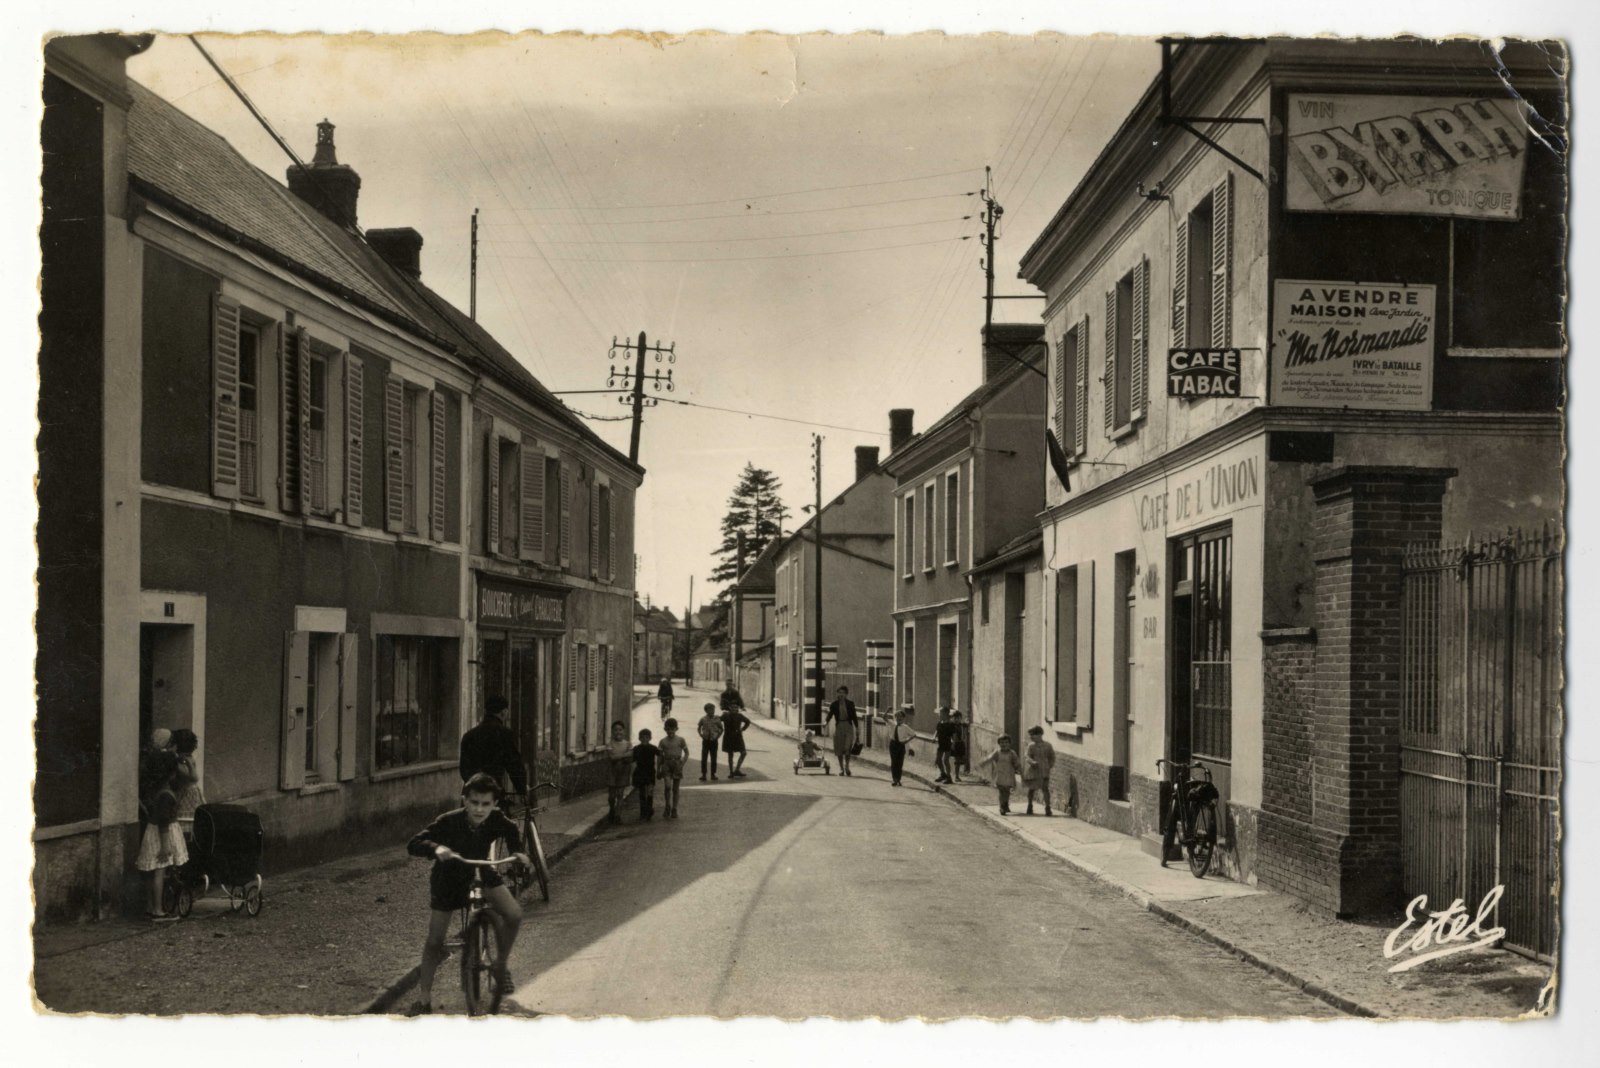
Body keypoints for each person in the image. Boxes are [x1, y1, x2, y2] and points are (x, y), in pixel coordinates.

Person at [405, 772, 530, 1016]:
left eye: (486, 804)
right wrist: (437, 847)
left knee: (514, 914)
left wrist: (518, 852)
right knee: (435, 941)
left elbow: (512, 830)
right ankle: (424, 998)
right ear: (465, 800)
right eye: (474, 802)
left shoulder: (496, 819)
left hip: (480, 871)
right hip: (448, 879)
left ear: (494, 804)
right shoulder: (448, 821)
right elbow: (414, 843)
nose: (479, 809)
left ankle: (499, 965)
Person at [135, 728, 185, 921]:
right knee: (159, 871)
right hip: (161, 835)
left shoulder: (155, 789)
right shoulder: (166, 794)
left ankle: (150, 906)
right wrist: (165, 845)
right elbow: (164, 822)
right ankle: (158, 910)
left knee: (152, 871)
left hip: (151, 831)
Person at [459, 697, 528, 797]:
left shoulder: (469, 735)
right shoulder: (504, 734)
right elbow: (514, 765)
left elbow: (464, 769)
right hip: (493, 793)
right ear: (503, 712)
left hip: (471, 793)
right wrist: (522, 789)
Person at [977, 735, 1023, 815]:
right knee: (1002, 791)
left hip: (1009, 775)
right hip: (999, 775)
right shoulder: (997, 752)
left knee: (1007, 791)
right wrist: (983, 763)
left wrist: (1021, 771)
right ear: (999, 744)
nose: (1004, 744)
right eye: (1002, 743)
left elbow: (1017, 763)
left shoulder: (1012, 753)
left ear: (1009, 744)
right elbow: (989, 758)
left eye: (1006, 742)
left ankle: (1006, 804)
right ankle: (1002, 806)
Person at [170, 728, 205, 822]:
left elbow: (194, 778)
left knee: (186, 819)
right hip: (185, 792)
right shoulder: (180, 758)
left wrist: (188, 764)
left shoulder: (185, 759)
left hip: (186, 793)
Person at [657, 718, 689, 819]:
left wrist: (682, 763)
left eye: (672, 729)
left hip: (677, 764)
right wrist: (658, 769)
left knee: (675, 789)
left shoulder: (681, 740)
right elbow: (660, 756)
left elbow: (687, 753)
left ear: (676, 729)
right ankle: (667, 806)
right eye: (668, 729)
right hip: (666, 764)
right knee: (667, 786)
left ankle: (674, 808)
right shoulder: (662, 741)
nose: (670, 731)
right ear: (665, 729)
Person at [1022, 725, 1057, 816]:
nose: (1031, 737)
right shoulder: (1031, 746)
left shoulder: (1048, 745)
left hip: (1044, 770)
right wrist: (1032, 762)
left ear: (1040, 735)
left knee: (1045, 788)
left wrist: (1049, 765)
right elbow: (1027, 756)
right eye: (1030, 735)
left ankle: (1047, 807)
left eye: (1033, 735)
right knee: (1032, 789)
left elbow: (1052, 756)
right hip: (1034, 770)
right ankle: (1030, 805)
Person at [825, 685, 859, 776]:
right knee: (839, 748)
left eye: (843, 693)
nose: (841, 694)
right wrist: (826, 722)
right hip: (839, 725)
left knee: (847, 747)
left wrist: (857, 728)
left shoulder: (850, 704)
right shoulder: (834, 704)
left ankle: (847, 767)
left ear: (846, 694)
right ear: (837, 694)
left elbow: (855, 717)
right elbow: (830, 714)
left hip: (848, 726)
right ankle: (841, 768)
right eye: (839, 692)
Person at [607, 720, 633, 823]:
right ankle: (612, 809)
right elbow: (612, 757)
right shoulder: (610, 744)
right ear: (612, 732)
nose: (618, 732)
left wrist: (618, 757)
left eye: (620, 730)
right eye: (615, 730)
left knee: (620, 794)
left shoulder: (627, 744)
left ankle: (618, 815)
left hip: (623, 771)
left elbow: (630, 756)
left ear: (624, 731)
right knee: (611, 796)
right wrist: (624, 755)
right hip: (612, 771)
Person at [632, 728, 661, 820]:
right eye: (642, 737)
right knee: (642, 792)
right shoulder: (636, 749)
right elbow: (631, 760)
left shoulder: (653, 748)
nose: (644, 739)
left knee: (650, 791)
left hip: (650, 772)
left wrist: (661, 768)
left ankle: (648, 810)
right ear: (639, 738)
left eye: (647, 737)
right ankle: (643, 812)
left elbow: (661, 755)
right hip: (640, 772)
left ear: (650, 738)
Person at [720, 698, 752, 778]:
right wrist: (719, 729)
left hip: (738, 736)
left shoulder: (740, 716)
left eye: (736, 707)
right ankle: (731, 772)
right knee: (730, 755)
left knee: (743, 753)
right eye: (733, 707)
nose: (734, 709)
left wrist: (742, 729)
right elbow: (717, 721)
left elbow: (748, 721)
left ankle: (737, 770)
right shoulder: (725, 715)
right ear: (729, 707)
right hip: (728, 737)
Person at [888, 708, 917, 787]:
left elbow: (914, 734)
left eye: (901, 717)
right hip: (893, 744)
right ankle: (894, 779)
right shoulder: (892, 724)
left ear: (904, 718)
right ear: (895, 718)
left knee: (900, 763)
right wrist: (887, 711)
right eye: (897, 717)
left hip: (901, 745)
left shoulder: (905, 727)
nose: (899, 718)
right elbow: (884, 718)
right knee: (894, 762)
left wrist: (906, 741)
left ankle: (899, 779)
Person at [696, 703, 724, 781]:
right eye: (710, 710)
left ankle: (713, 774)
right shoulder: (703, 719)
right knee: (704, 758)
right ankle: (704, 774)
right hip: (705, 741)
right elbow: (699, 728)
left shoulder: (717, 719)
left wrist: (718, 737)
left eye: (713, 709)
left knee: (713, 758)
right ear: (706, 710)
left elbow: (721, 729)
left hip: (714, 741)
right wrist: (701, 735)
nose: (712, 711)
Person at [933, 707, 955, 783]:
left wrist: (953, 743)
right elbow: (936, 731)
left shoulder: (950, 724)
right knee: (938, 760)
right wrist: (934, 737)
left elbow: (953, 735)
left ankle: (949, 777)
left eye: (941, 713)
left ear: (946, 714)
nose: (940, 714)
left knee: (946, 760)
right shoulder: (939, 723)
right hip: (940, 744)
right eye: (940, 713)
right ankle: (943, 774)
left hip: (948, 744)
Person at [948, 710, 969, 783]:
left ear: (960, 718)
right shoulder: (951, 726)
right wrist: (952, 744)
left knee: (961, 759)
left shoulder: (962, 725)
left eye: (958, 718)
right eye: (955, 718)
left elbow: (967, 723)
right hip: (955, 744)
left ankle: (957, 774)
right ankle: (956, 776)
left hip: (961, 744)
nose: (957, 719)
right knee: (957, 760)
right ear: (953, 718)